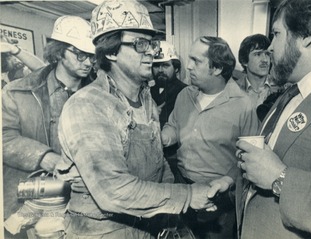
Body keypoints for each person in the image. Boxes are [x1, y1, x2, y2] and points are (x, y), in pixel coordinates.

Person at [55, 1, 215, 238]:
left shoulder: (145, 98)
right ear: (110, 51)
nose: (151, 51)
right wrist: (188, 196)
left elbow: (159, 166)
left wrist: (175, 212)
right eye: (140, 44)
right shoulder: (88, 105)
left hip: (146, 225)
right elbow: (114, 191)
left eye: (150, 43)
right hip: (102, 231)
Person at [234, 0, 311, 238]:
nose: (270, 47)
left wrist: (280, 178)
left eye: (276, 34)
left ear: (307, 35)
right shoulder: (291, 91)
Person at [2, 15, 95, 237]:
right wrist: (47, 158)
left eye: (92, 56)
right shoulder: (18, 92)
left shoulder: (97, 95)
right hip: (25, 199)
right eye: (80, 54)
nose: (88, 62)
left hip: (79, 203)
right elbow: (4, 137)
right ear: (59, 52)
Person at [161, 36, 259, 239]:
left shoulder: (243, 105)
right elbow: (173, 125)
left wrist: (228, 181)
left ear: (216, 69)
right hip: (181, 189)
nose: (188, 66)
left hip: (217, 199)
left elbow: (250, 157)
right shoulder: (185, 95)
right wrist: (165, 136)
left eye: (196, 61)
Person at [150, 41, 187, 170]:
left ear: (176, 68)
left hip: (175, 157)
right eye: (156, 66)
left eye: (165, 66)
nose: (160, 70)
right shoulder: (145, 92)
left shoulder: (186, 92)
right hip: (151, 155)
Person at [234, 34, 281, 109]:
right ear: (244, 61)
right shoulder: (233, 90)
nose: (265, 60)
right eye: (258, 54)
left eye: (267, 54)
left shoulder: (281, 88)